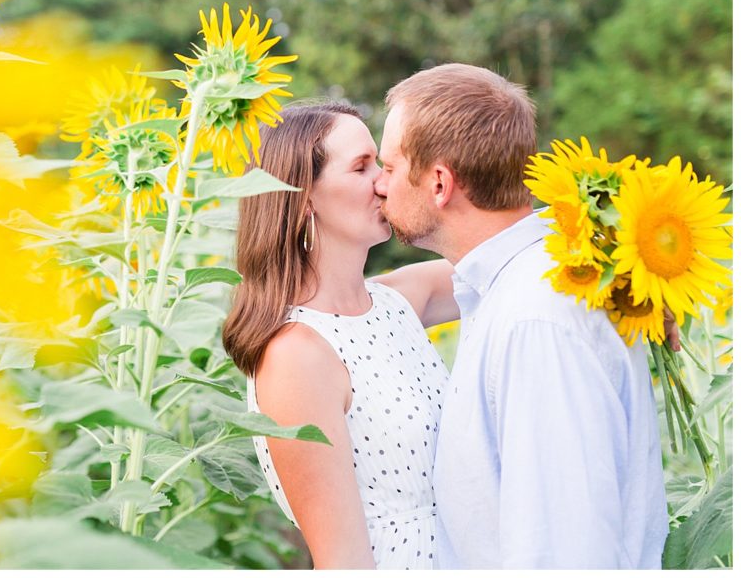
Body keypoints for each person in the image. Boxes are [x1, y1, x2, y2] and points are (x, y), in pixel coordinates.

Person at [373, 63, 669, 568]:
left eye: (389, 167)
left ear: (439, 182)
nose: (379, 186)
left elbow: (563, 550)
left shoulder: (536, 319)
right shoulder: (530, 279)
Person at [222, 102, 457, 569]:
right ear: (303, 196)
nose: (386, 183)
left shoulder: (394, 302)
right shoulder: (295, 356)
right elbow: (341, 563)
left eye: (382, 164)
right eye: (361, 167)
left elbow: (504, 257)